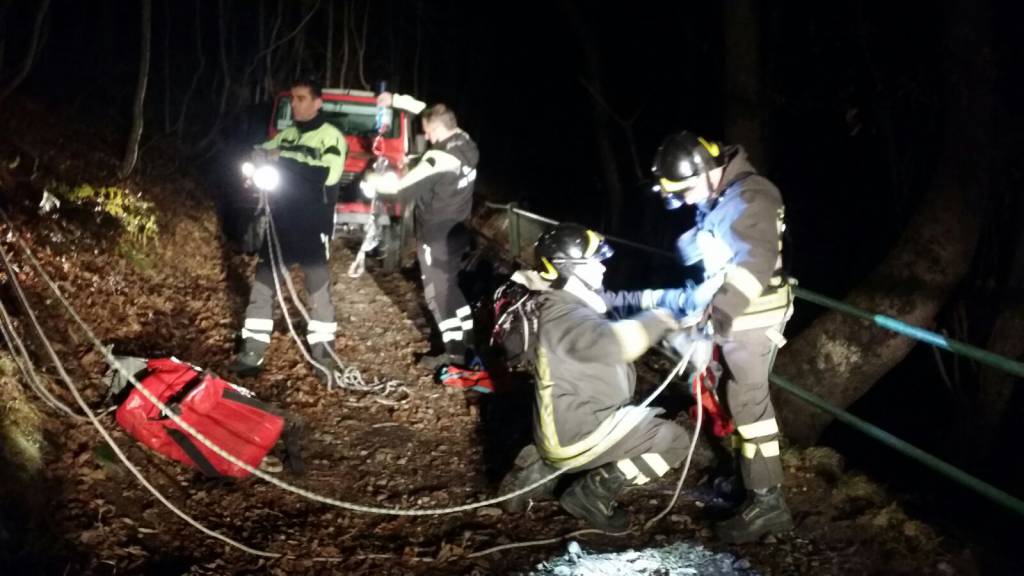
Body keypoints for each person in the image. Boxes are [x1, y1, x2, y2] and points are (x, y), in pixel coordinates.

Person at [497, 223, 694, 531]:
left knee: (631, 421)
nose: (603, 266)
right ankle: (592, 494)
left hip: (571, 423)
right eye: (593, 261)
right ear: (568, 268)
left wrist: (677, 302)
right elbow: (617, 343)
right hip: (579, 432)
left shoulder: (568, 300)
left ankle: (540, 470)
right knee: (675, 441)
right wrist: (662, 319)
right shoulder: (563, 315)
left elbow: (621, 300)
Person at [651, 131, 794, 543]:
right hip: (735, 314)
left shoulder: (751, 197)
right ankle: (750, 481)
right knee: (733, 398)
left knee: (749, 403)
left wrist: (718, 317)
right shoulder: (723, 195)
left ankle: (769, 504)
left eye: (689, 190)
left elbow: (755, 264)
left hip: (752, 314)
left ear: (706, 170)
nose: (689, 201)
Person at [228, 77, 346, 384]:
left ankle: (324, 359)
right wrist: (255, 157)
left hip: (311, 227)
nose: (294, 103)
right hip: (279, 226)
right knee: (262, 289)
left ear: (317, 103)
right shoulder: (287, 134)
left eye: (301, 98)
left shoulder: (330, 137)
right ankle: (252, 354)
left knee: (318, 294)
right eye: (292, 98)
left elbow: (326, 172)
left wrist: (283, 160)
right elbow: (260, 150)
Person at [365, 104, 481, 374]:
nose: (427, 137)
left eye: (428, 131)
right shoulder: (467, 144)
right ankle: (468, 341)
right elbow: (436, 162)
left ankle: (453, 355)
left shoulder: (437, 158)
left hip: (436, 234)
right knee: (451, 287)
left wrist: (372, 179)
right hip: (458, 229)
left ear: (439, 127)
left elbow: (399, 191)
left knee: (437, 294)